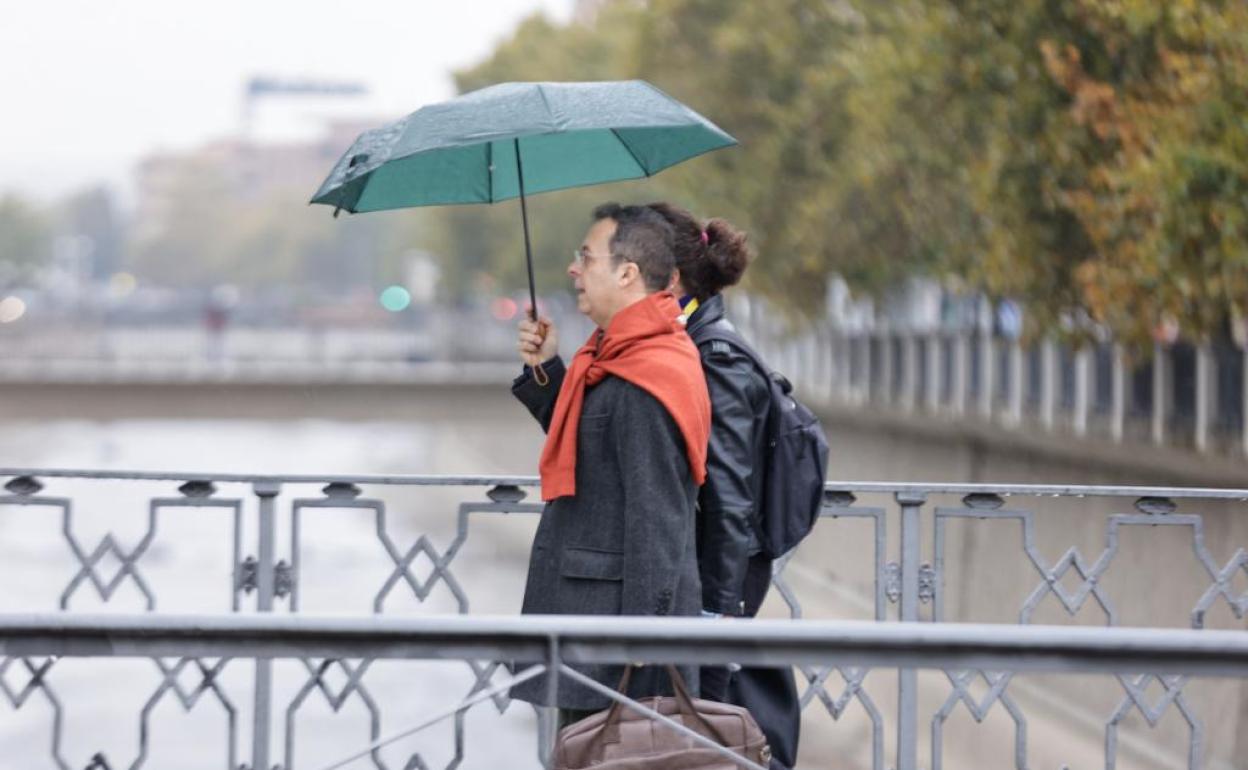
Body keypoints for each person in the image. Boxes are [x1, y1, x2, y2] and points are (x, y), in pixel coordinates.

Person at [510, 203, 712, 729]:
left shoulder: (649, 373)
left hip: (623, 648)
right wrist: (546, 369)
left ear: (627, 273)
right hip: (600, 630)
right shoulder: (615, 356)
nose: (574, 269)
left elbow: (659, 517)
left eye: (586, 257)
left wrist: (645, 635)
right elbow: (589, 444)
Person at [648, 201, 802, 770]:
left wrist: (716, 616)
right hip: (697, 587)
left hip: (712, 595)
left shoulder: (715, 357)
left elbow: (731, 501)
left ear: (668, 277)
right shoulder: (691, 342)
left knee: (705, 737)